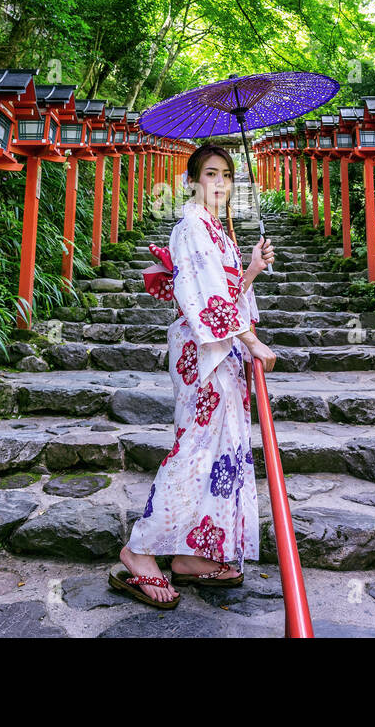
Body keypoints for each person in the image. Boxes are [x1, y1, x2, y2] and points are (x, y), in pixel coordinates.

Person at [109, 143, 277, 608]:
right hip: (204, 352)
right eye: (210, 173)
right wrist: (252, 341)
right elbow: (201, 296)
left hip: (222, 352)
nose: (220, 183)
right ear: (192, 181)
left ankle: (188, 553)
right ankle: (140, 550)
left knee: (220, 450)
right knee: (196, 449)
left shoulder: (220, 234)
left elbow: (225, 290)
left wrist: (252, 271)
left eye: (226, 174)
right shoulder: (190, 228)